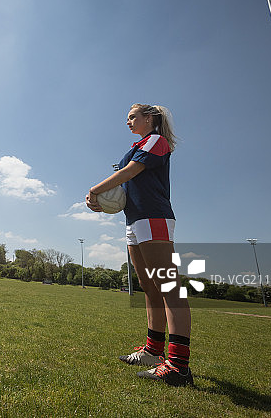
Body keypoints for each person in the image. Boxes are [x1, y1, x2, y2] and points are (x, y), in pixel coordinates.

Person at [86, 104, 193, 387]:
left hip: (154, 216)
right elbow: (123, 188)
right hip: (134, 220)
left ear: (150, 118)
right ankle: (153, 351)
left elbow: (132, 172)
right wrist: (104, 203)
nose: (128, 121)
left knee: (169, 286)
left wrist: (95, 190)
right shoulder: (137, 145)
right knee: (149, 286)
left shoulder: (158, 141)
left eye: (133, 116)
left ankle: (179, 366)